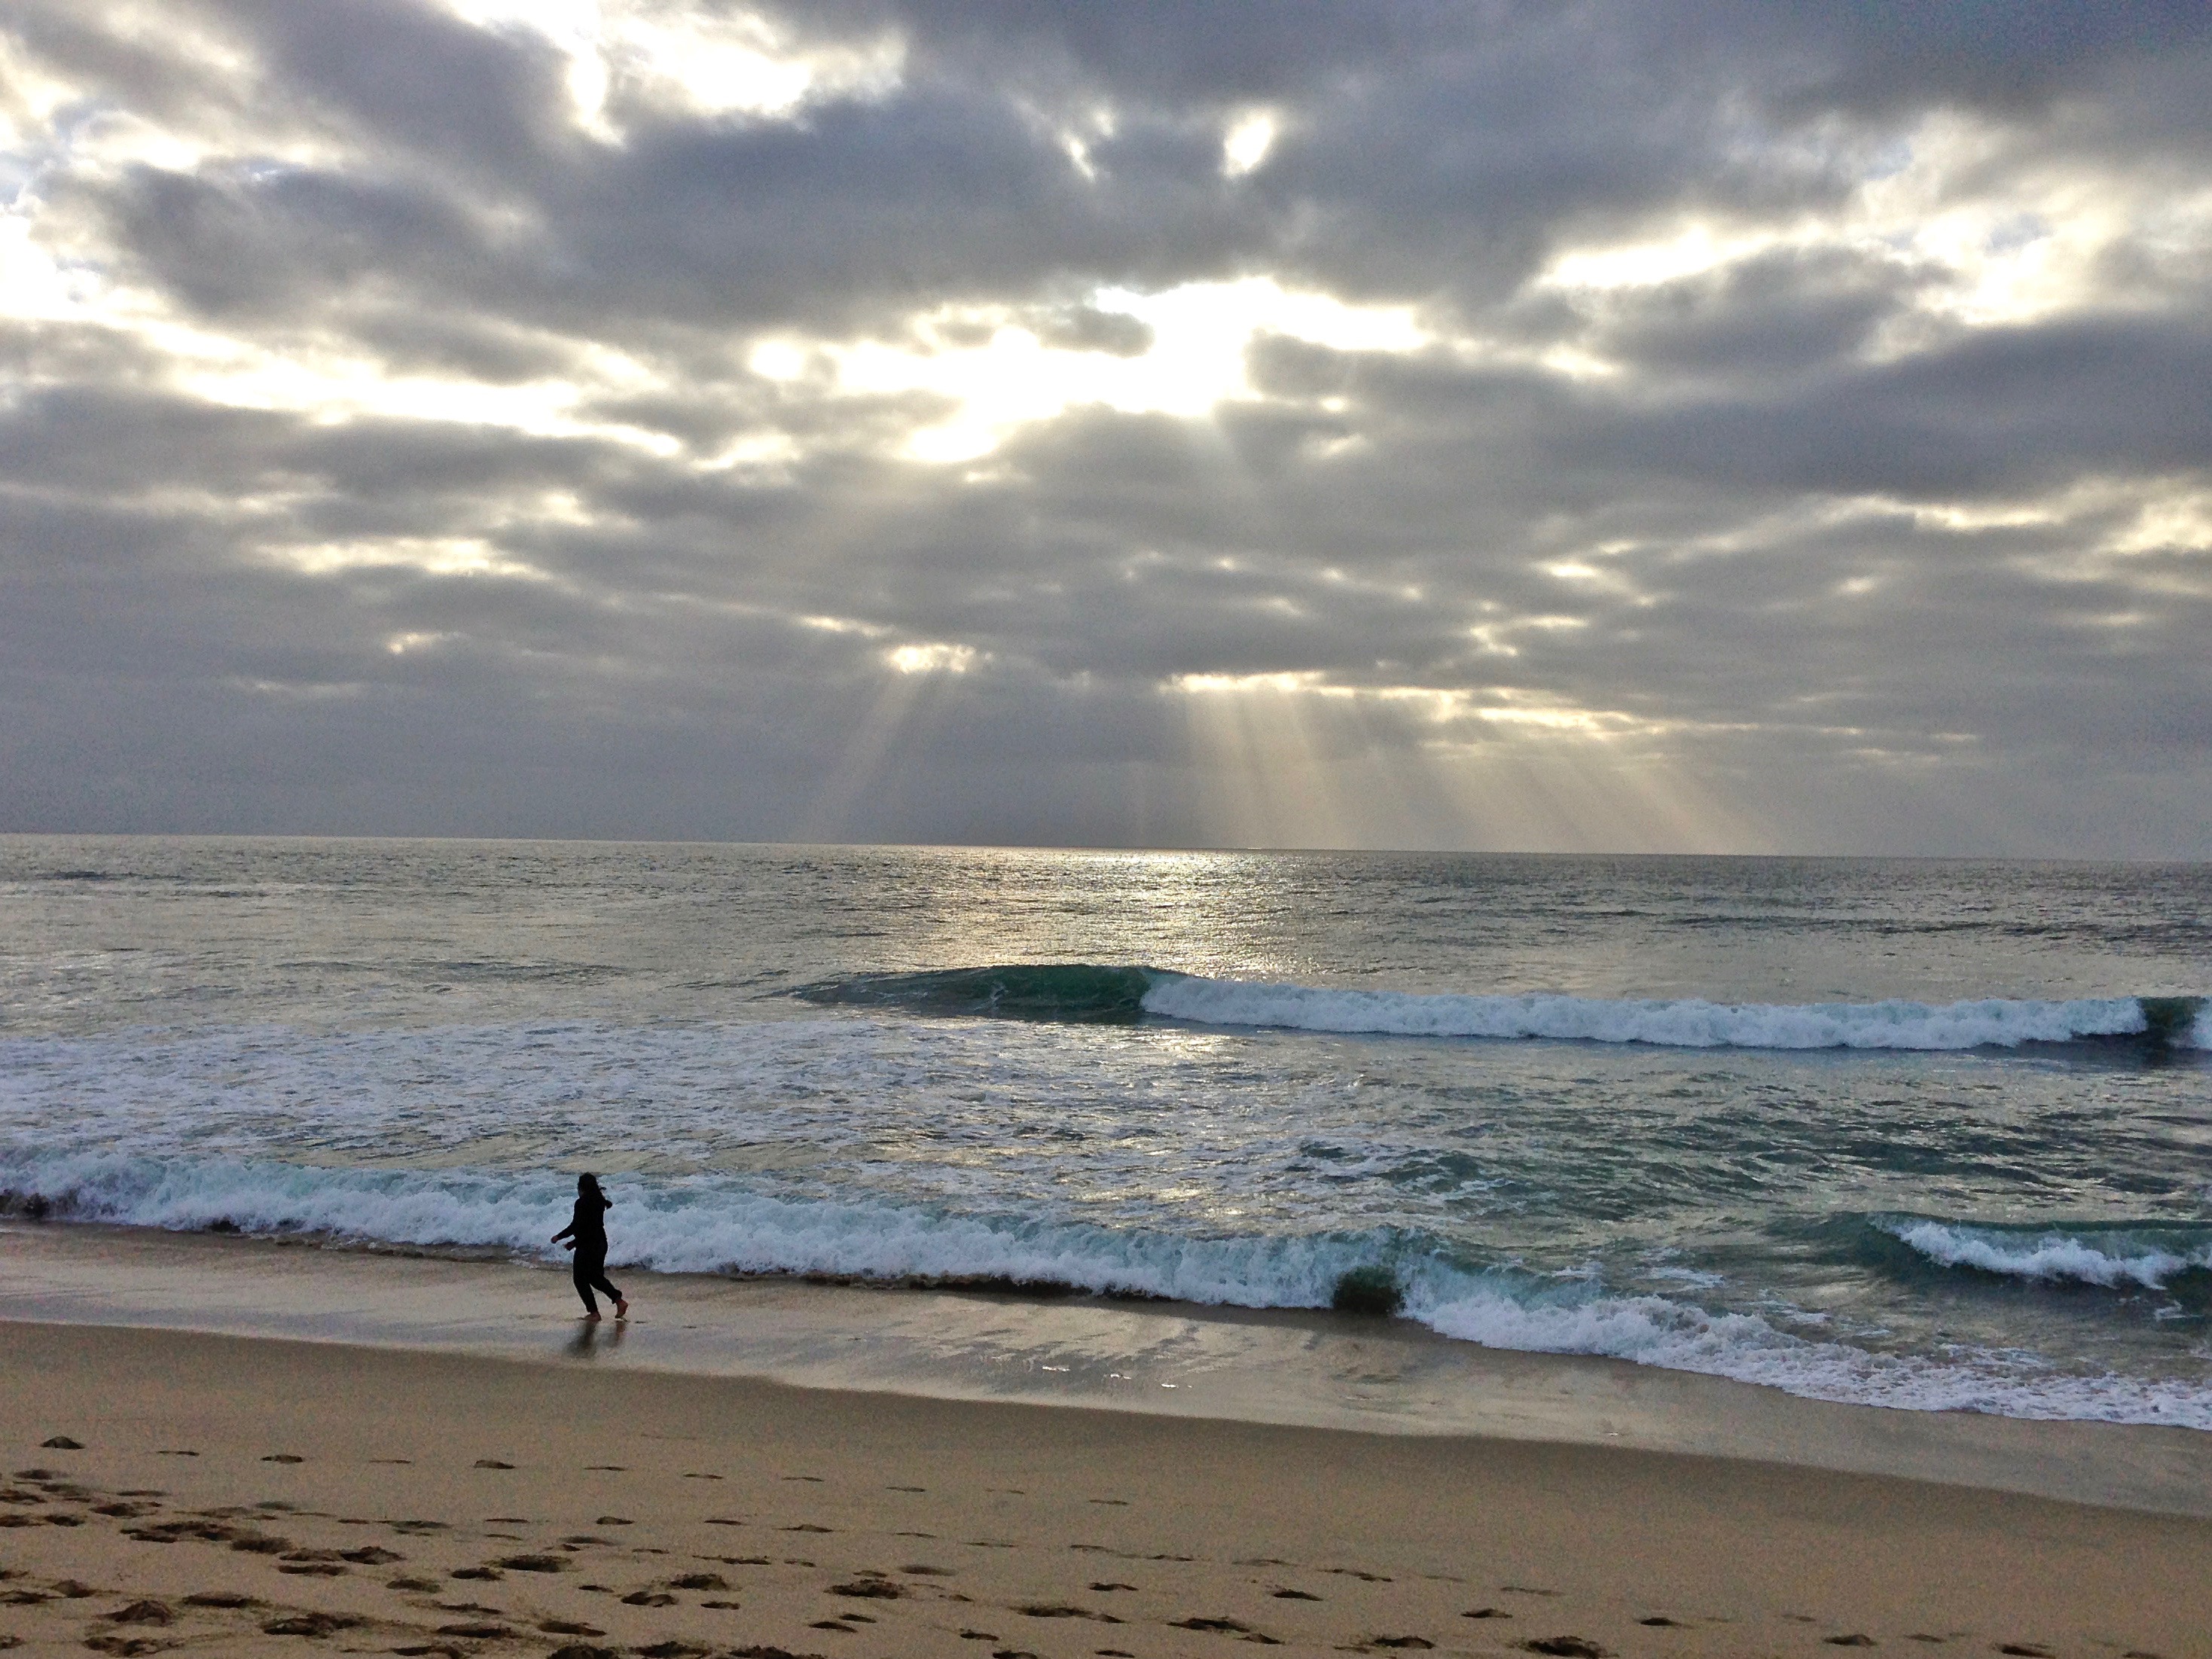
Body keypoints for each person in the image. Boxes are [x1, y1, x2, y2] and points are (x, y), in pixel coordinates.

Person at [551, 1173, 629, 1321]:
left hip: (588, 1246)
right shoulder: (599, 1201)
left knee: (580, 1279)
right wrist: (575, 1243)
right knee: (595, 1277)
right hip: (600, 1243)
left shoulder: (581, 1203)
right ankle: (619, 1301)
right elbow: (591, 1228)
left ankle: (594, 1313)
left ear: (581, 1188)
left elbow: (577, 1226)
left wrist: (559, 1237)